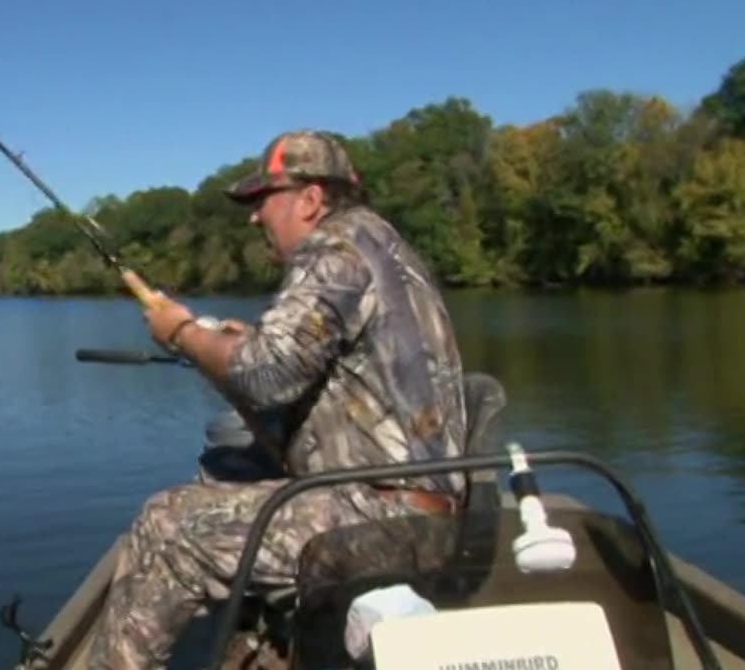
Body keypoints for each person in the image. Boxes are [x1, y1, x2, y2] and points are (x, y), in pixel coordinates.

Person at [84, 129, 468, 670]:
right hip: (416, 507)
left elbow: (265, 380)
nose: (254, 216)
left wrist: (181, 333)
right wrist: (239, 341)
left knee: (166, 529)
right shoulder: (381, 244)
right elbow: (300, 355)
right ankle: (264, 648)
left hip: (383, 520)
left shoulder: (332, 251)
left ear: (310, 199)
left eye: (263, 200)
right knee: (213, 482)